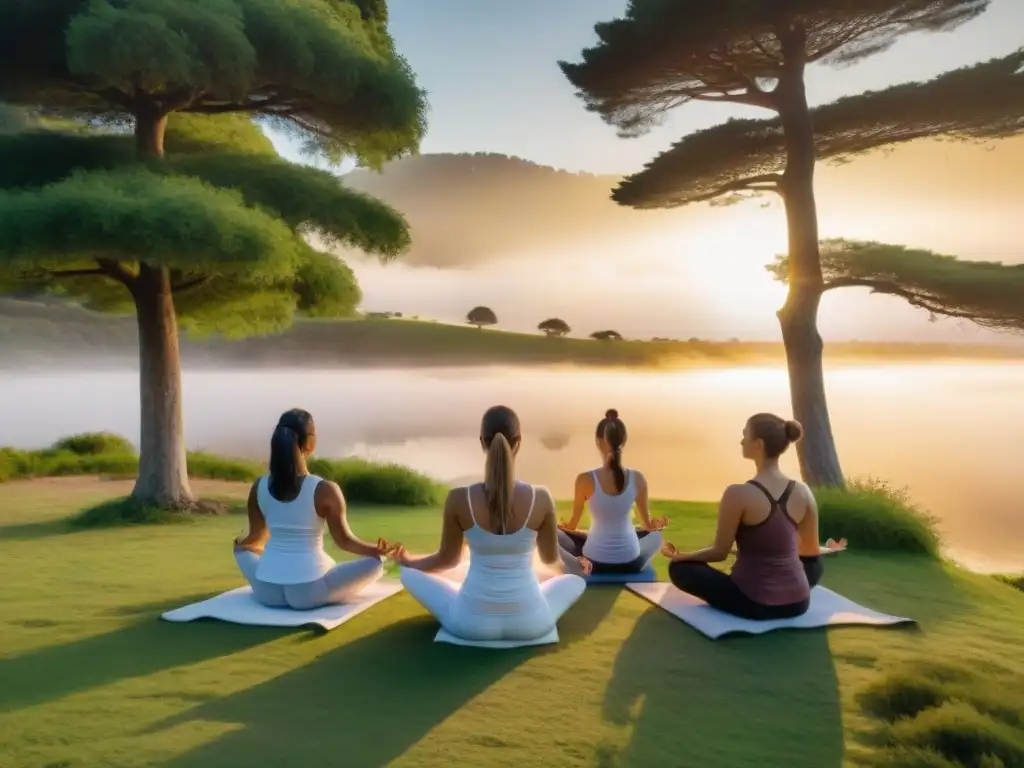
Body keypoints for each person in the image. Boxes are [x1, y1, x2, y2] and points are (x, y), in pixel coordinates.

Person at [393, 405, 588, 642]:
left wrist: (409, 560)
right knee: (574, 581)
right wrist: (577, 565)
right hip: (532, 622)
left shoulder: (458, 498)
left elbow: (447, 559)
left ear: (482, 442)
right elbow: (552, 560)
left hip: (470, 623)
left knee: (408, 573)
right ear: (519, 442)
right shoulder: (541, 497)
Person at [661, 413, 844, 621]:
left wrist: (681, 556)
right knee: (815, 563)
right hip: (798, 603)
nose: (741, 441)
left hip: (755, 604)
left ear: (758, 444)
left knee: (680, 569)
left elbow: (718, 553)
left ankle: (690, 567)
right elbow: (810, 552)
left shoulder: (738, 494)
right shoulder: (803, 492)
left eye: (745, 435)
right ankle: (789, 588)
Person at [233, 408, 393, 610]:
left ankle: (272, 567)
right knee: (377, 562)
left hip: (267, 591)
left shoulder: (259, 486)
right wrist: (375, 550)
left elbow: (255, 538)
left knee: (241, 551)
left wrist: (244, 546)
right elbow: (344, 541)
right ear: (310, 442)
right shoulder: (325, 489)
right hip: (308, 593)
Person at [557, 409, 667, 575]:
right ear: (624, 441)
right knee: (656, 537)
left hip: (593, 561)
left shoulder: (584, 479)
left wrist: (561, 527)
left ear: (598, 441)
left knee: (554, 535)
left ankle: (579, 561)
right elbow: (648, 526)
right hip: (630, 563)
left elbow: (572, 524)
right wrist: (657, 525)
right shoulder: (637, 478)